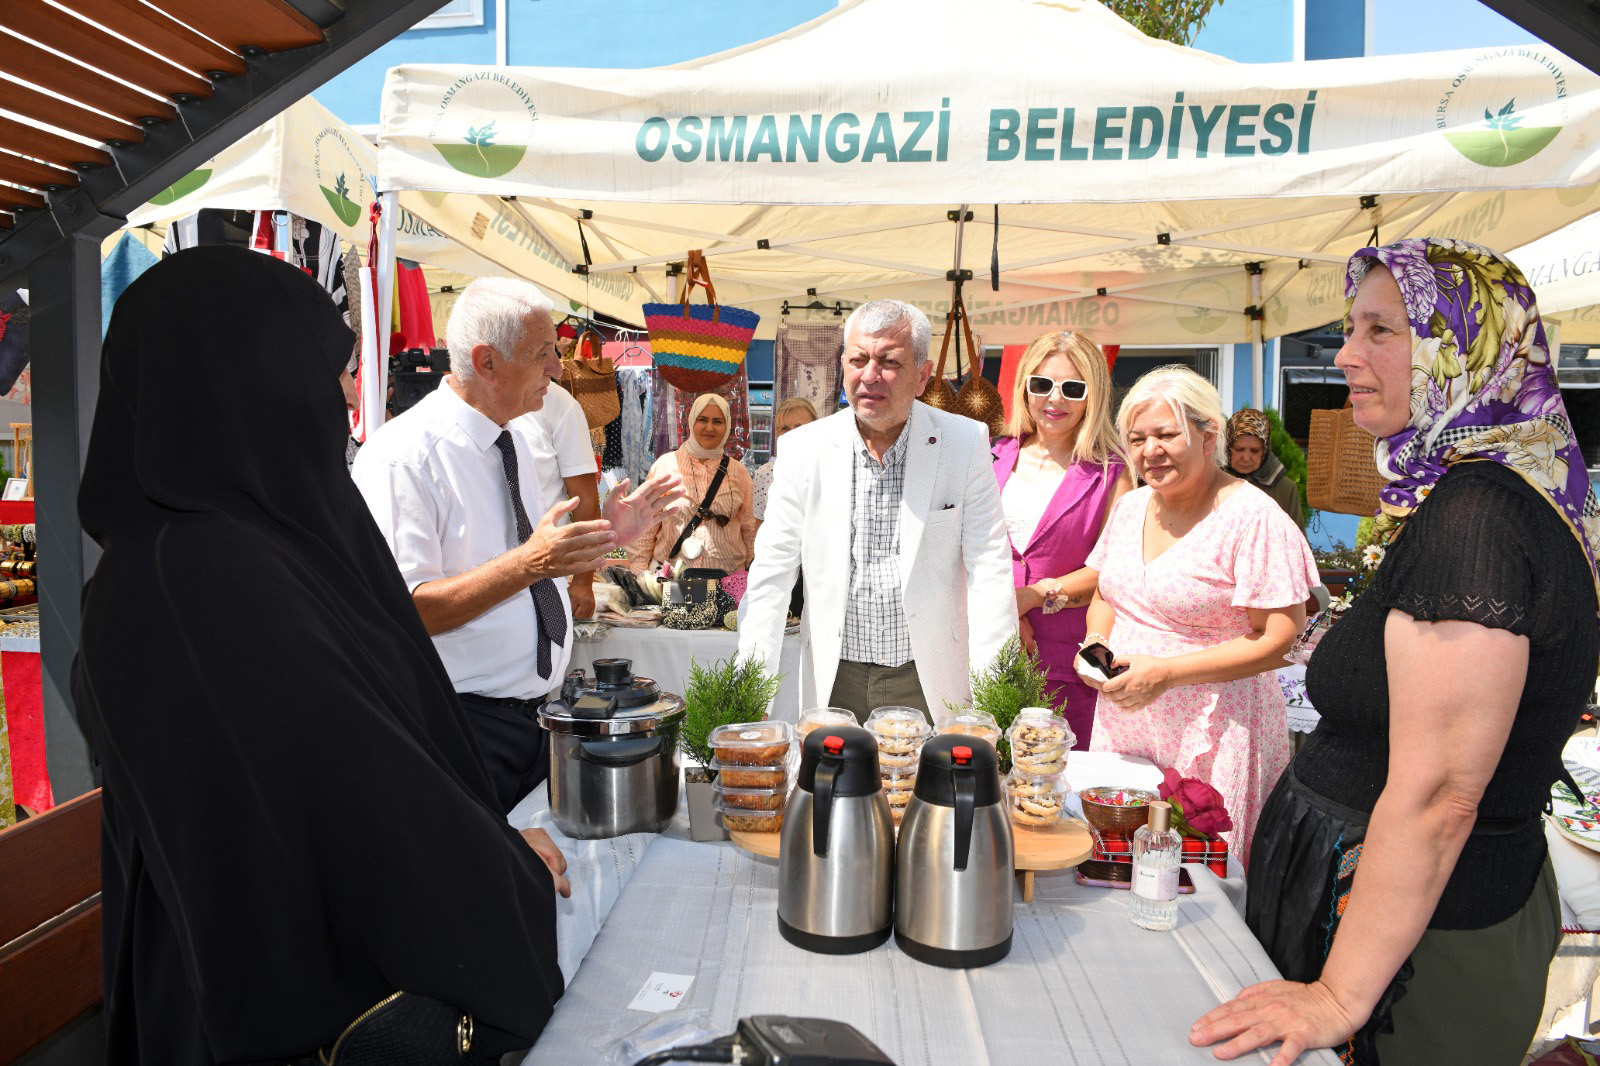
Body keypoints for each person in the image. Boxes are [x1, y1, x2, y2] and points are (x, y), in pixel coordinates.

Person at [74, 246, 569, 1063]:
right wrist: (493, 866)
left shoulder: (249, 546)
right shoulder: (196, 581)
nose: (346, 395)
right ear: (244, 378)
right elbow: (349, 797)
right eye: (332, 369)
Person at [1192, 239, 1600, 1066]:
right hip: (1404, 932)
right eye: (1351, 329)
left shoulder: (1478, 520)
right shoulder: (1492, 494)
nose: (1346, 354)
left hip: (1414, 962)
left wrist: (1339, 996)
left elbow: (1441, 795)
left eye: (1381, 330)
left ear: (1462, 349)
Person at [353, 277, 681, 813]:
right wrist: (529, 563)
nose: (557, 369)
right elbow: (405, 609)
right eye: (543, 353)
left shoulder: (512, 438)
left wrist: (607, 535)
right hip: (458, 725)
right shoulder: (405, 456)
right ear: (486, 362)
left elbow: (538, 559)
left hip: (533, 716)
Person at [1078, 365, 1316, 865]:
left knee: (1197, 878)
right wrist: (1096, 646)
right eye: (1137, 439)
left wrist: (1167, 673)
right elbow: (1105, 594)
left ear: (1209, 437)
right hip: (1127, 722)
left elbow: (1281, 639)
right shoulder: (1130, 508)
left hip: (1215, 732)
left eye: (1166, 435)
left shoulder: (1253, 519)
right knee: (1119, 866)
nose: (1150, 450)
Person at [737, 299, 1016, 721]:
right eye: (858, 359)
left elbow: (990, 569)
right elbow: (770, 575)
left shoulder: (964, 443)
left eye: (889, 362)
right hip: (835, 676)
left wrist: (995, 696)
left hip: (929, 678)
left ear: (922, 376)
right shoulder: (802, 449)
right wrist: (750, 695)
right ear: (842, 365)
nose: (870, 375)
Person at [991, 331, 1132, 749]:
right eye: (1042, 384)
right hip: (986, 646)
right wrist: (1009, 612)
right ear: (1024, 388)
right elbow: (965, 548)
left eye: (1072, 388)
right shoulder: (992, 454)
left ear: (1093, 396)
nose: (1055, 399)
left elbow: (1112, 569)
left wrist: (1034, 597)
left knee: (1058, 777)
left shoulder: (1113, 472)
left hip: (1066, 661)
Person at [626, 392, 758, 576]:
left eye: (717, 422)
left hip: (727, 581)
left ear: (727, 426)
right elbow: (645, 527)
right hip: (671, 580)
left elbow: (750, 529)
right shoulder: (665, 466)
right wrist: (641, 573)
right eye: (702, 420)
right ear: (691, 422)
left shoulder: (739, 473)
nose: (709, 428)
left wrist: (753, 571)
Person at [516, 379, 601, 621]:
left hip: (546, 580)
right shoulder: (446, 410)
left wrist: (583, 581)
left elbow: (586, 500)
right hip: (472, 580)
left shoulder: (557, 403)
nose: (555, 368)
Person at [1224, 408, 1303, 525]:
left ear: (1265, 451)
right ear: (1228, 448)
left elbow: (1296, 534)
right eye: (1239, 449)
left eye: (1254, 450)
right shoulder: (1213, 482)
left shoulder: (1285, 489)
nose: (1246, 458)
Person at [753, 397, 821, 523]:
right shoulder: (764, 474)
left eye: (799, 426)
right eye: (784, 428)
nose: (791, 433)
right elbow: (760, 524)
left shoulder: (828, 469)